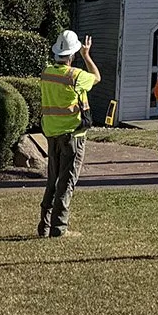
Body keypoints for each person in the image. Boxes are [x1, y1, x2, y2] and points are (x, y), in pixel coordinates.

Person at [36, 29, 101, 238]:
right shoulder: (76, 76)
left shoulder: (46, 73)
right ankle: (59, 228)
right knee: (67, 181)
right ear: (72, 55)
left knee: (53, 179)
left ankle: (44, 226)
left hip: (52, 133)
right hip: (73, 135)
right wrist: (87, 55)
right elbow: (97, 78)